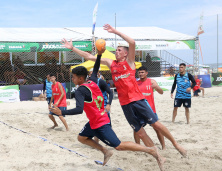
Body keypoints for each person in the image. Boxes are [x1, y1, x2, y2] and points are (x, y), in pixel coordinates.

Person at [61, 24, 187, 157]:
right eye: (116, 50)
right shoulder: (111, 63)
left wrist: (115, 31)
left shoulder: (130, 62)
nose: (117, 51)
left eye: (119, 50)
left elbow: (132, 42)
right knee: (139, 132)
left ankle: (175, 144)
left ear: (126, 53)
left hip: (137, 99)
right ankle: (157, 155)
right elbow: (89, 57)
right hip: (125, 104)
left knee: (155, 124)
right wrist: (72, 48)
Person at [50, 51, 165, 171]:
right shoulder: (93, 81)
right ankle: (105, 151)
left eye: (73, 77)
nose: (72, 79)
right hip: (97, 119)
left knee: (119, 146)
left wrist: (61, 112)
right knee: (81, 138)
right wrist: (99, 54)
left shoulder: (80, 91)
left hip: (100, 123)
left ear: (80, 78)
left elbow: (79, 109)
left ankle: (151, 150)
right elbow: (95, 68)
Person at [136, 66, 165, 150]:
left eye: (142, 72)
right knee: (137, 129)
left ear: (146, 73)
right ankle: (138, 146)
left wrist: (156, 87)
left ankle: (163, 146)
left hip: (151, 110)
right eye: (139, 72)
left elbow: (161, 92)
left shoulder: (151, 82)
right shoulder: (136, 83)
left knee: (157, 129)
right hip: (139, 111)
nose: (141, 74)